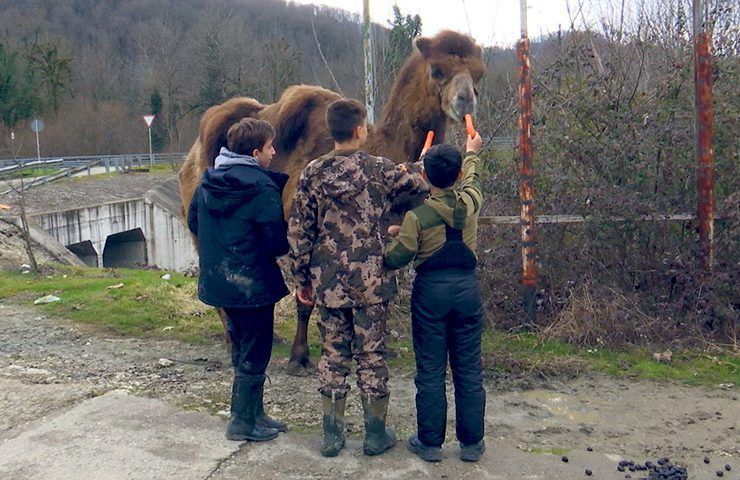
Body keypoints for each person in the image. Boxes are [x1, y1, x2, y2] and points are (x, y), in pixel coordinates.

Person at [288, 98, 427, 457]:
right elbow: (419, 183)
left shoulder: (312, 173)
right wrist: (422, 163)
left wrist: (301, 279)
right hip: (372, 283)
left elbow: (300, 233)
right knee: (372, 355)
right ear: (360, 130)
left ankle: (332, 437)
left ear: (332, 131)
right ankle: (374, 434)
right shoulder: (379, 170)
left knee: (333, 355)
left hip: (328, 283)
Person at [384, 133, 486, 463]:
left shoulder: (417, 217)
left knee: (430, 369)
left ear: (425, 176)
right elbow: (472, 178)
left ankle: (430, 443)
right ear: (458, 175)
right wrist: (472, 152)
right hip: (467, 290)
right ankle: (471, 444)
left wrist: (395, 238)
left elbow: (396, 258)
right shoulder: (471, 204)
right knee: (469, 369)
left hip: (431, 295)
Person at [188, 117, 290, 442]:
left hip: (219, 282)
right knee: (256, 353)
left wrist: (221, 244)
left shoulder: (208, 181)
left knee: (241, 351)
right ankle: (242, 423)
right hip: (253, 285)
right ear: (257, 150)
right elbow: (275, 242)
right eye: (271, 146)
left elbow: (193, 220)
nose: (274, 153)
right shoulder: (261, 187)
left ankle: (253, 414)